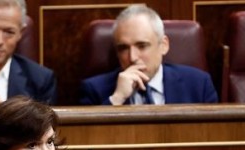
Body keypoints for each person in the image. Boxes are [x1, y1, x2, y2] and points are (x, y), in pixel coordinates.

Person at [79, 4, 218, 105]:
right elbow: (89, 141)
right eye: (123, 48)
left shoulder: (199, 85)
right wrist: (117, 98)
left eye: (142, 46)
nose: (133, 57)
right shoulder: (94, 90)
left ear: (163, 45)